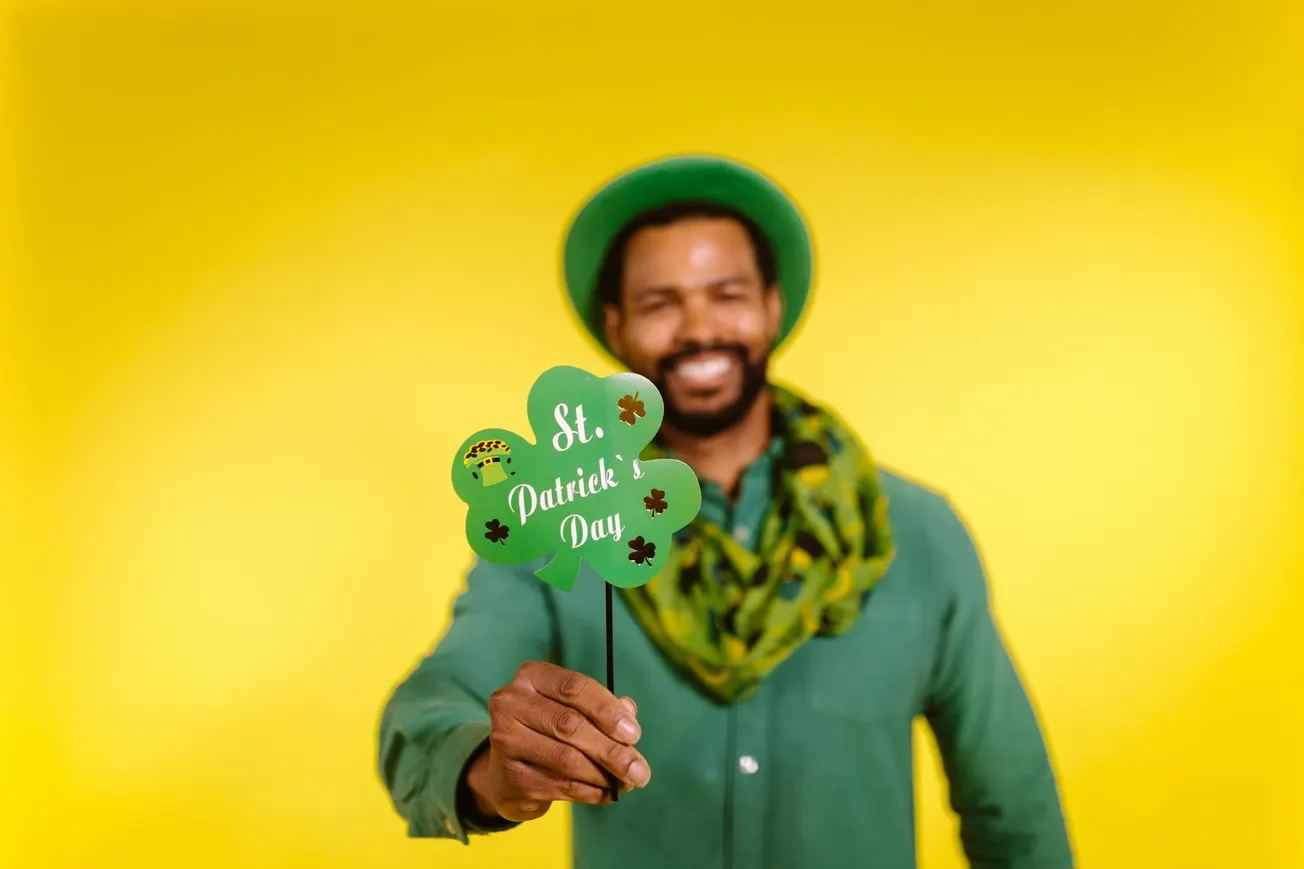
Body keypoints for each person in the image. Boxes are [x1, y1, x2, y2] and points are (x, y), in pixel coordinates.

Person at [377, 155, 1074, 869]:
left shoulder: (913, 533)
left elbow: (1013, 810)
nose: (698, 327)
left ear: (772, 306)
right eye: (660, 302)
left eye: (727, 294)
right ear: (616, 327)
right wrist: (489, 772)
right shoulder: (559, 529)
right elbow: (426, 715)